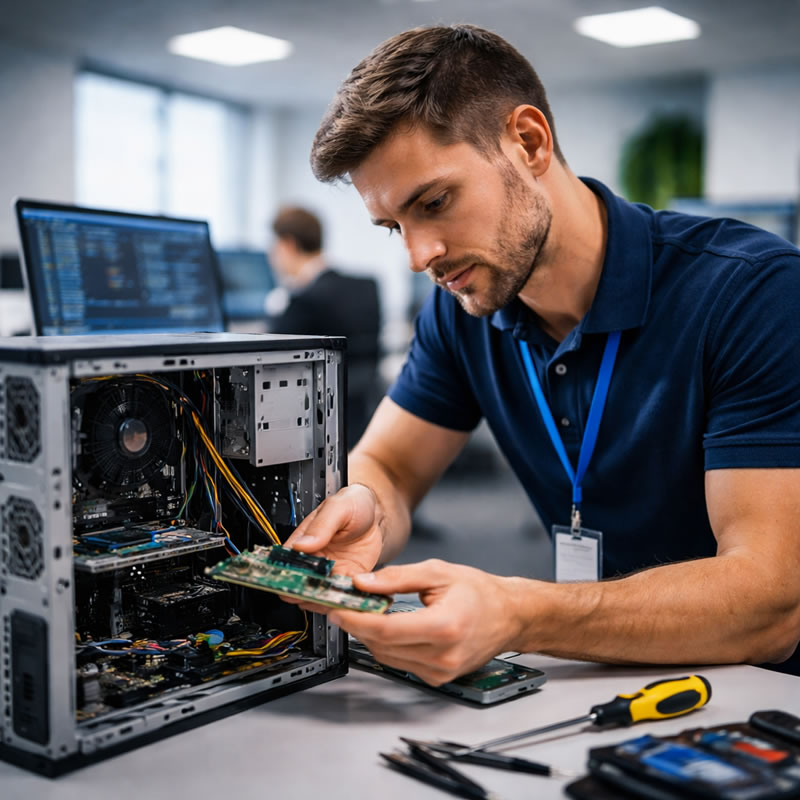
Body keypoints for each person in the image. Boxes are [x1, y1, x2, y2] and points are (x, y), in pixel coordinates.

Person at [284, 24, 800, 682]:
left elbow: (772, 603)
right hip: (610, 671)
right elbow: (388, 463)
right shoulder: (461, 307)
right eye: (395, 228)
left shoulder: (752, 292)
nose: (419, 256)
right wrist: (366, 507)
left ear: (528, 142)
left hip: (763, 692)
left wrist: (521, 613)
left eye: (435, 202)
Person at [265, 206, 381, 448]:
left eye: (274, 249)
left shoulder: (301, 301)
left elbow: (268, 354)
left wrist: (280, 306)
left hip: (315, 427)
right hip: (359, 420)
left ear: (288, 245)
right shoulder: (365, 287)